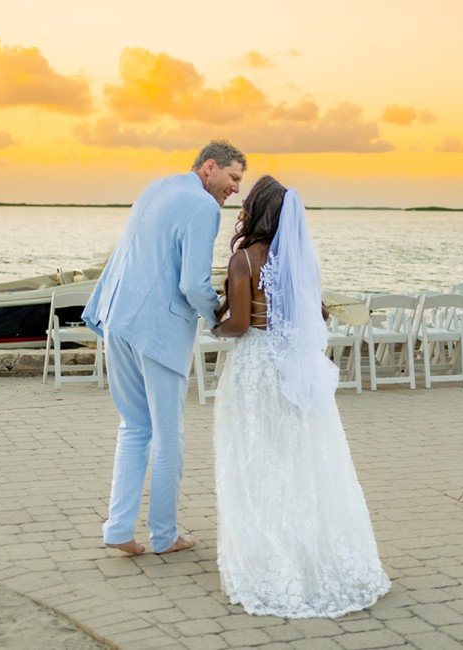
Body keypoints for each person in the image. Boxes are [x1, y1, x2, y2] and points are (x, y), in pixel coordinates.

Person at [211, 176, 390, 618]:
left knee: (256, 460)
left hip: (255, 368)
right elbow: (316, 311)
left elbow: (237, 325)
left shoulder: (242, 260)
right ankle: (311, 550)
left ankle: (268, 556)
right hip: (293, 368)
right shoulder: (302, 259)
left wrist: (212, 326)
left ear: (257, 212)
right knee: (299, 459)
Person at [82, 140, 247, 556]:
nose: (235, 190)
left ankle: (118, 527)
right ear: (210, 166)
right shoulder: (203, 207)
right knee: (168, 435)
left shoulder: (155, 188)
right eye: (233, 178)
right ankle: (164, 534)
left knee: (135, 428)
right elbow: (192, 283)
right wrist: (216, 318)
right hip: (158, 332)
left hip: (118, 318)